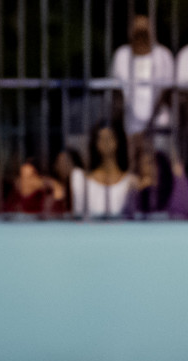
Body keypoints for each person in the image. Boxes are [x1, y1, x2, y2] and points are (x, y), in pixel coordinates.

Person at [111, 14, 174, 150]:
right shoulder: (122, 55)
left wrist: (147, 128)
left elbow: (166, 93)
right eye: (137, 33)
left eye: (144, 33)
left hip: (160, 125)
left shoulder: (163, 55)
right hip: (130, 127)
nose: (141, 37)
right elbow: (117, 95)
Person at [72, 123, 133, 218]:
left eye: (110, 138)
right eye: (101, 139)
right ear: (95, 143)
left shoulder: (130, 181)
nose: (106, 143)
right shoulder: (80, 179)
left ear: (118, 141)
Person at [1, 159, 65, 217]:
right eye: (23, 177)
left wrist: (49, 183)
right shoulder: (14, 197)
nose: (26, 182)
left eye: (30, 177)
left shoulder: (45, 199)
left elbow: (59, 194)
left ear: (38, 178)